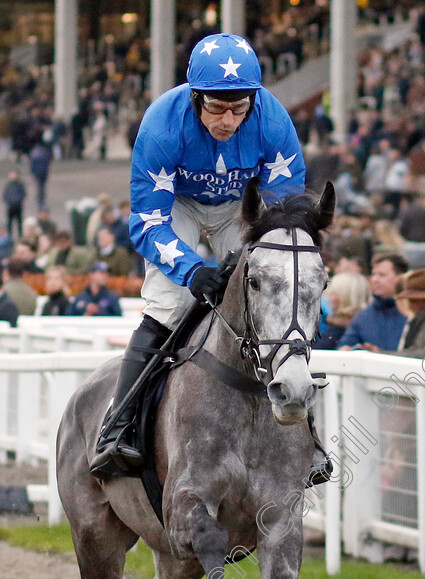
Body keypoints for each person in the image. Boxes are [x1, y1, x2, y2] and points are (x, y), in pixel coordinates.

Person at [89, 33, 326, 481]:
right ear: (195, 97)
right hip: (174, 204)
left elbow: (286, 213)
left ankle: (304, 434)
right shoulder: (161, 125)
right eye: (216, 108)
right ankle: (119, 426)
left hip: (242, 204)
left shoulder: (273, 122)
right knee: (170, 303)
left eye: (239, 108)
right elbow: (148, 220)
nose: (228, 120)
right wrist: (191, 269)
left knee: (277, 294)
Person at [365, 269, 425, 361]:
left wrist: (381, 355)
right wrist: (380, 353)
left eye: (413, 300)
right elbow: (416, 351)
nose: (410, 306)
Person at [337, 253, 409, 351]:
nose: (375, 279)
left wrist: (380, 354)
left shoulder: (413, 314)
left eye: (382, 275)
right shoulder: (363, 316)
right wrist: (346, 349)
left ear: (401, 278)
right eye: (373, 274)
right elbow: (345, 346)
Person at [312, 272, 368, 350]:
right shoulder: (365, 322)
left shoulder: (338, 328)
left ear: (344, 297)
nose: (329, 297)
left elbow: (318, 351)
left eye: (334, 293)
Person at [2, 169, 26, 238]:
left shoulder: (20, 184)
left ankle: (20, 236)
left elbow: (23, 194)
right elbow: (5, 195)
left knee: (19, 222)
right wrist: (9, 201)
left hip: (18, 206)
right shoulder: (8, 185)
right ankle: (9, 236)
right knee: (9, 222)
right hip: (10, 206)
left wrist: (18, 201)